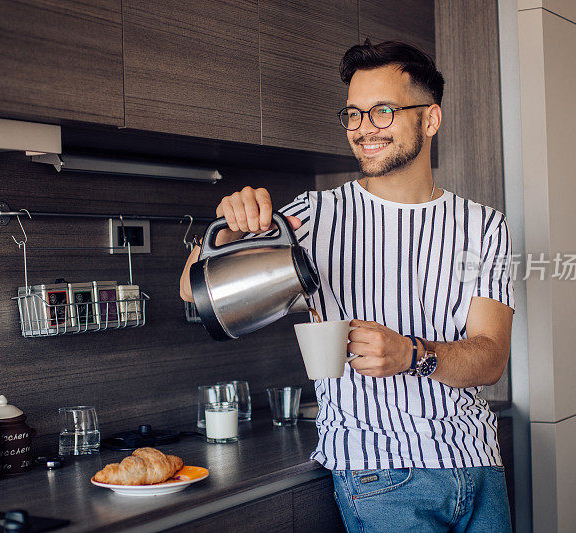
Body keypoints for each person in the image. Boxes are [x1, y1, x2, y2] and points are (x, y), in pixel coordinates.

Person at [180, 40, 514, 532]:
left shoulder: (483, 226)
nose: (363, 130)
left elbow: (490, 358)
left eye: (382, 112)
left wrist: (411, 354)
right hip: (382, 473)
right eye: (353, 115)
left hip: (478, 462)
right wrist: (230, 227)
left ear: (430, 120)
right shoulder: (315, 217)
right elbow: (193, 290)